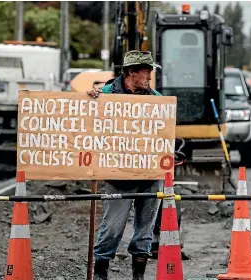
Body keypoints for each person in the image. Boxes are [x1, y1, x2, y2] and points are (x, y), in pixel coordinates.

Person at [87, 50, 163, 280]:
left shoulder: (157, 99)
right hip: (118, 174)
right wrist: (89, 98)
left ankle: (138, 275)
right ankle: (101, 273)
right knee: (111, 228)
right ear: (131, 71)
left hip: (150, 175)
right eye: (146, 71)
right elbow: (85, 118)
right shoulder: (106, 94)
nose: (150, 76)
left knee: (144, 231)